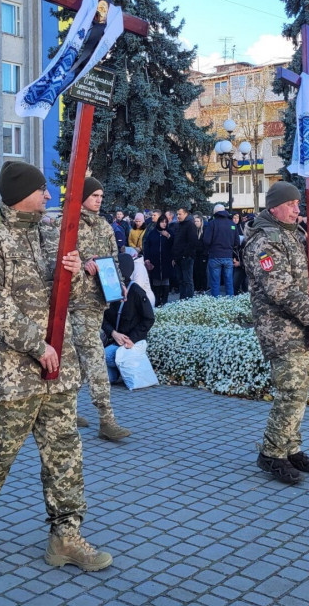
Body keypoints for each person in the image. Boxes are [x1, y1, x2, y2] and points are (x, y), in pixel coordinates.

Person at [0, 161, 112, 572]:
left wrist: (73, 274)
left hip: (59, 364)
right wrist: (35, 345)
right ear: (23, 192)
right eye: (42, 190)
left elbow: (65, 294)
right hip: (13, 368)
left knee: (64, 454)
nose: (48, 196)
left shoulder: (45, 229)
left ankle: (66, 535)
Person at [242, 182, 309, 486]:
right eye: (291, 204)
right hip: (279, 327)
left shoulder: (294, 233)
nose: (297, 209)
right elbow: (279, 289)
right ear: (274, 207)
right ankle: (271, 453)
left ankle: (291, 448)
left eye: (297, 204)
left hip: (297, 323)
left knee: (300, 389)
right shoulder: (264, 240)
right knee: (291, 390)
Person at [68, 177, 130, 440]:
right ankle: (106, 419)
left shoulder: (105, 226)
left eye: (101, 196)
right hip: (77, 301)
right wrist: (82, 264)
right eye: (94, 195)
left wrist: (121, 284)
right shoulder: (68, 224)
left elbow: (114, 260)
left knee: (80, 364)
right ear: (81, 196)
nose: (99, 199)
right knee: (94, 358)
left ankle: (66, 412)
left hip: (99, 300)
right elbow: (56, 261)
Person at [102, 252, 155, 384]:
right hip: (115, 339)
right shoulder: (110, 291)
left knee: (105, 356)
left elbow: (149, 318)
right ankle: (117, 372)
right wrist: (114, 333)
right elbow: (102, 318)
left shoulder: (136, 291)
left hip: (132, 340)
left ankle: (122, 369)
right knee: (105, 370)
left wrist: (132, 339)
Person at [202, 203, 236, 297]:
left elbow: (206, 240)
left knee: (215, 283)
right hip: (228, 256)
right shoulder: (232, 224)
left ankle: (216, 305)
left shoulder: (212, 223)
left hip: (215, 256)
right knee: (229, 282)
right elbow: (236, 241)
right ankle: (231, 303)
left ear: (215, 212)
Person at [143, 212, 174, 307]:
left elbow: (174, 245)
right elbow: (147, 246)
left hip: (166, 261)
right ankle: (157, 300)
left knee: (165, 281)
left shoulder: (170, 232)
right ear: (159, 222)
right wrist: (147, 258)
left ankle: (165, 300)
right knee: (156, 281)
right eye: (162, 222)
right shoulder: (153, 233)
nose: (164, 224)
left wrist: (168, 237)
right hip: (155, 261)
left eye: (166, 222)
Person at [171, 206, 198, 300]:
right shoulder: (178, 225)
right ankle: (182, 300)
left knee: (187, 280)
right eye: (177, 214)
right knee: (181, 280)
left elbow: (193, 242)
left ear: (186, 214)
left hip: (186, 258)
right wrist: (175, 257)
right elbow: (176, 242)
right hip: (178, 258)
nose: (178, 216)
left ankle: (189, 301)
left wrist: (184, 255)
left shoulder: (190, 225)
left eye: (180, 214)